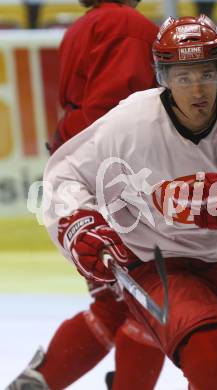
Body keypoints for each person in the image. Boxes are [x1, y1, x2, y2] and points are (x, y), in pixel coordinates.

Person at [41, 14, 217, 389]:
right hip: (157, 260)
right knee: (215, 357)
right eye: (184, 77)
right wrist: (78, 223)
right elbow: (64, 176)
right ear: (164, 77)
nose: (197, 91)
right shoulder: (130, 123)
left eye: (206, 74)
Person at [6, 0, 165, 389]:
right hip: (113, 188)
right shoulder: (126, 23)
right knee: (154, 304)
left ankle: (40, 381)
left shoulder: (85, 25)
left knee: (112, 307)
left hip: (81, 182)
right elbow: (115, 115)